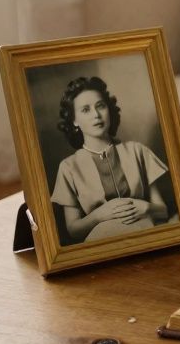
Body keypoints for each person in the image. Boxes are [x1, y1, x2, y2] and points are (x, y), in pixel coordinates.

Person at [52, 76, 173, 244]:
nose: (96, 115)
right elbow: (73, 230)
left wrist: (145, 207)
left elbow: (163, 211)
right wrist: (100, 215)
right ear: (74, 121)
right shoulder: (68, 167)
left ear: (108, 109)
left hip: (147, 237)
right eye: (85, 110)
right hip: (104, 245)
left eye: (100, 106)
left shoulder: (137, 151)